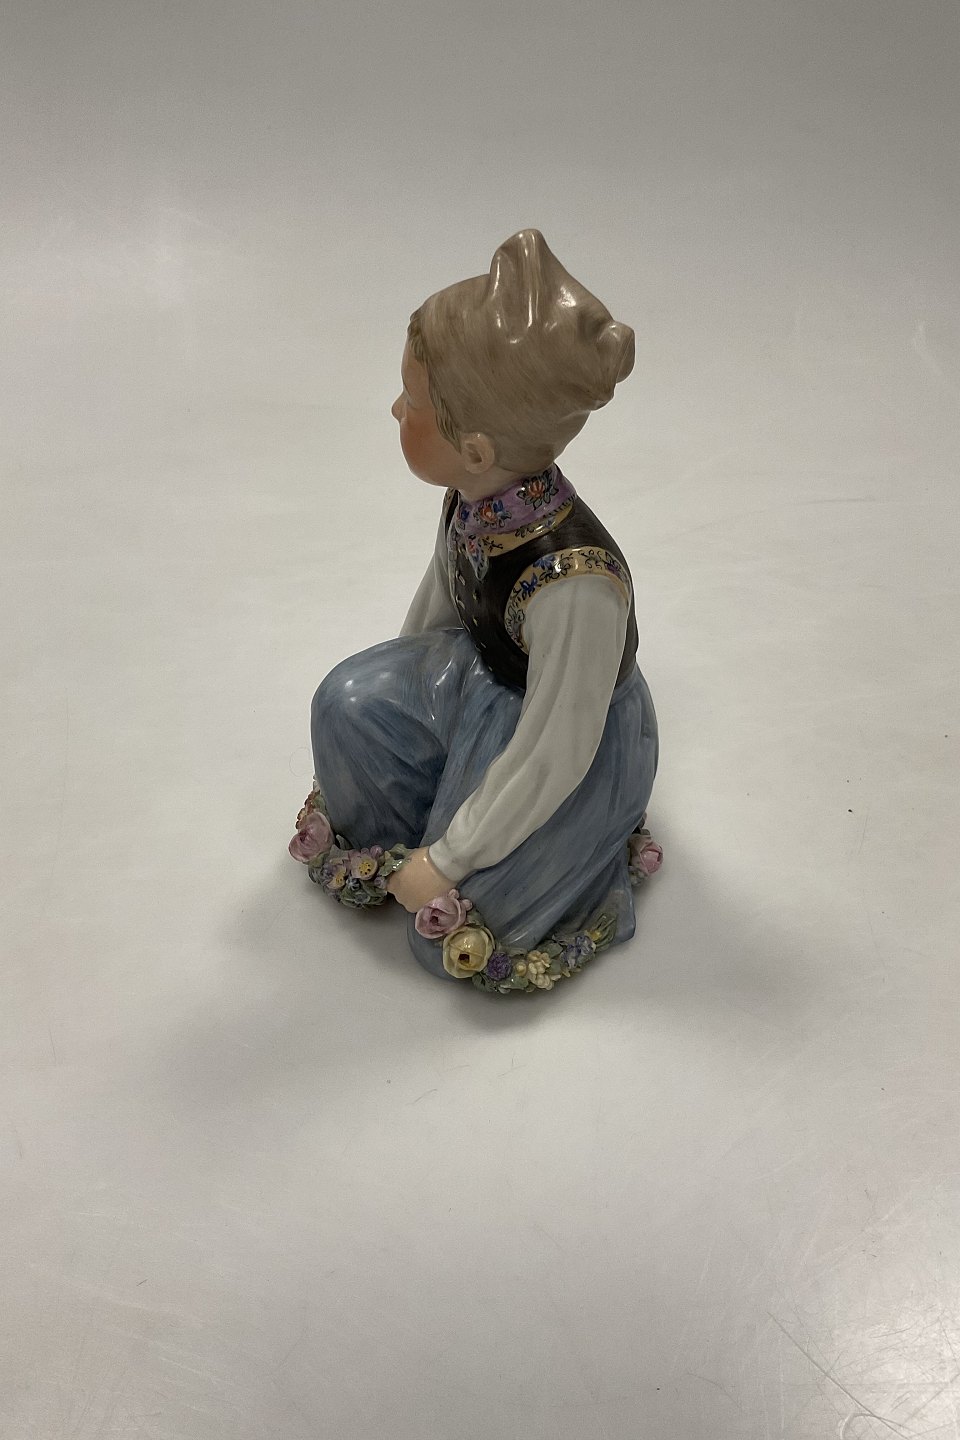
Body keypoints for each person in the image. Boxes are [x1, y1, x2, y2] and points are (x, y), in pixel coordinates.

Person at [305, 229, 660, 986]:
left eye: (414, 402)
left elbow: (555, 746)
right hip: (482, 681)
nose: (395, 408)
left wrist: (451, 859)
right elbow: (438, 611)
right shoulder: (473, 502)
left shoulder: (574, 584)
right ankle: (400, 840)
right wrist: (396, 704)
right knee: (346, 700)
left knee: (457, 931)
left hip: (574, 742)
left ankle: (584, 877)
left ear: (475, 448)